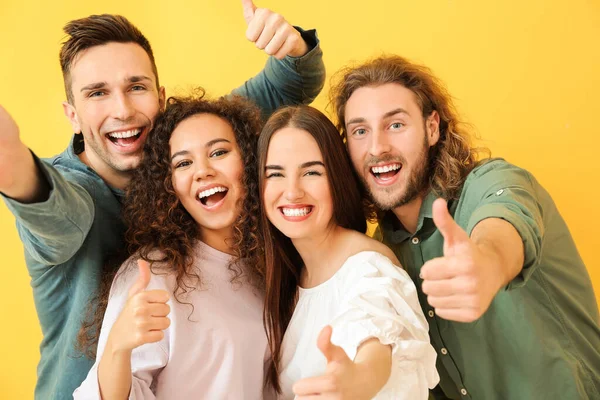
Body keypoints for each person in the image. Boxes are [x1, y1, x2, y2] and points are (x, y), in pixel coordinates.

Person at [0, 2, 325, 398]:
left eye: (136, 87)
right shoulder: (73, 190)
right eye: (98, 93)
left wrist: (290, 48)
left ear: (161, 95)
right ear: (72, 115)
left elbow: (286, 85)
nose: (123, 110)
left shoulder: (185, 149)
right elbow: (59, 219)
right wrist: (16, 170)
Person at [329, 55, 600, 399]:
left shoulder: (493, 181)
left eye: (395, 125)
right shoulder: (382, 253)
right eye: (360, 131)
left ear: (432, 128)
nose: (378, 147)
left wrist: (488, 262)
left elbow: (506, 220)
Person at [74, 94, 271, 399]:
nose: (202, 171)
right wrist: (117, 346)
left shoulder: (272, 263)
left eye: (219, 152)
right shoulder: (153, 274)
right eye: (183, 163)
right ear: (169, 185)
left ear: (248, 160)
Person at [257, 105, 439, 399]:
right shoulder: (294, 275)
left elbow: (375, 338)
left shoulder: (367, 268)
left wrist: (360, 380)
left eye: (312, 172)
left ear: (337, 179)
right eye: (275, 174)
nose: (292, 191)